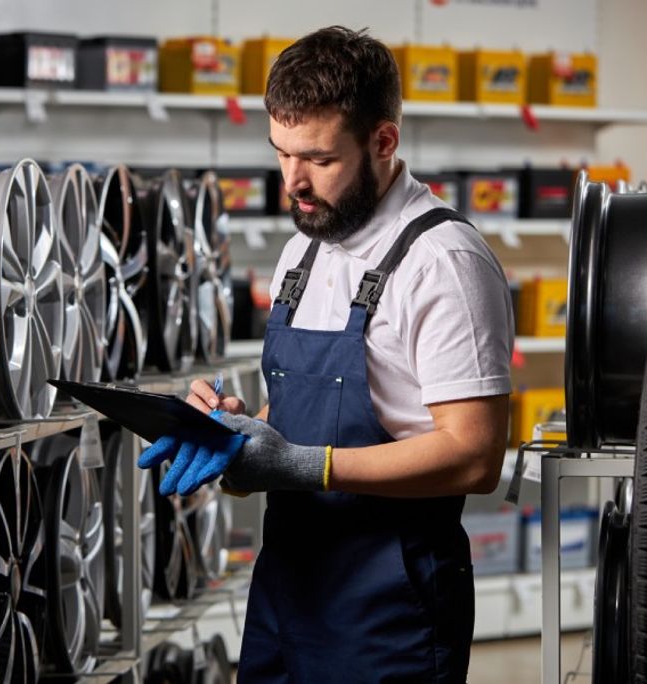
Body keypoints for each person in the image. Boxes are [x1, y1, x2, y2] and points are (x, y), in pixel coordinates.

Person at [138, 26, 514, 683]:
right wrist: (239, 430)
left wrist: (298, 464)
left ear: (383, 141)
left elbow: (476, 454)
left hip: (387, 610)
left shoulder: (443, 261)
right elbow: (299, 411)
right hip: (287, 590)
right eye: (282, 153)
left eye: (318, 158)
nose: (294, 182)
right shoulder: (303, 250)